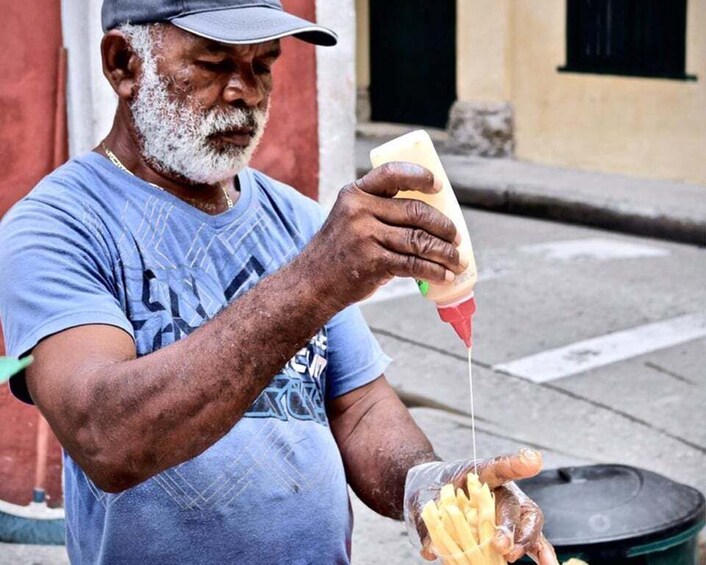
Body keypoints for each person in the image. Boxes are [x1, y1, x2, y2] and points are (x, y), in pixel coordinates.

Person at [0, 1, 558, 563]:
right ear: (123, 65)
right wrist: (316, 281)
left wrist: (431, 488)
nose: (247, 93)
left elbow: (358, 407)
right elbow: (107, 437)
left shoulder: (297, 219)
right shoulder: (57, 225)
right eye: (215, 64)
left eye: (263, 65)